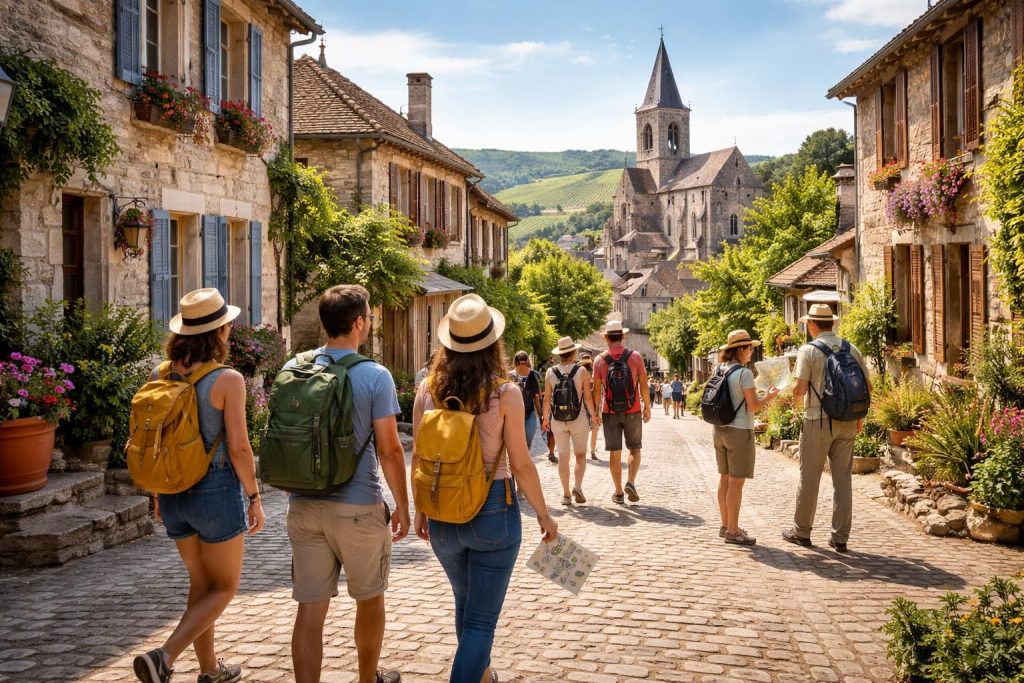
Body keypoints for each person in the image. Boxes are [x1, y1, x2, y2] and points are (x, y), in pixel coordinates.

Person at [412, 293, 558, 683]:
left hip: (442, 509)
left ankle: (482, 674)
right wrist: (544, 514)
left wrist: (419, 510)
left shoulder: (427, 391)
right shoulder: (504, 392)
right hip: (493, 509)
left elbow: (421, 459)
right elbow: (522, 463)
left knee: (466, 603)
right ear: (493, 343)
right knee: (480, 621)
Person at [133, 288, 265, 683]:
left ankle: (209, 670)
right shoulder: (228, 380)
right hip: (216, 493)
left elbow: (157, 442)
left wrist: (158, 492)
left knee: (201, 586)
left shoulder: (160, 374)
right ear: (221, 331)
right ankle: (164, 656)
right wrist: (254, 497)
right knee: (224, 587)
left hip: (172, 492)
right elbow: (240, 449)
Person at [285, 285, 410, 683]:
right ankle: (366, 678)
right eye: (369, 315)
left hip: (304, 505)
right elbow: (390, 450)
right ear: (359, 323)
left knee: (309, 608)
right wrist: (404, 506)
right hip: (358, 506)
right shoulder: (374, 375)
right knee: (369, 598)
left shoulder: (295, 368)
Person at [782, 304, 871, 554]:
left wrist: (795, 408)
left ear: (812, 324)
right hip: (848, 422)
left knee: (809, 478)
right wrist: (859, 417)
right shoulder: (851, 348)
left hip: (817, 421)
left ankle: (801, 532)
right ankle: (840, 537)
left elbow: (800, 389)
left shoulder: (808, 351)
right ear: (831, 323)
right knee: (842, 480)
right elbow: (867, 386)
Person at [713, 330, 780, 546]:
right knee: (736, 482)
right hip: (739, 431)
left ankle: (726, 525)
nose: (752, 351)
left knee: (724, 478)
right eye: (750, 348)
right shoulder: (744, 373)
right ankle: (733, 531)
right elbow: (754, 406)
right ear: (741, 350)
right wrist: (768, 396)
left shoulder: (719, 368)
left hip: (719, 429)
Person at [592, 320, 650, 504]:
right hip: (632, 409)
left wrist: (595, 411)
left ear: (606, 338)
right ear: (623, 336)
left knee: (614, 452)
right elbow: (643, 385)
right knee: (634, 448)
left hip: (609, 411)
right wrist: (646, 406)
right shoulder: (636, 357)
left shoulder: (599, 360)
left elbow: (596, 390)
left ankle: (618, 493)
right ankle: (630, 481)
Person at [542, 336, 597, 506]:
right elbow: (587, 397)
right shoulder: (582, 372)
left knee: (563, 457)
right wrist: (594, 415)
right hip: (578, 417)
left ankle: (566, 495)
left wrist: (545, 418)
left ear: (559, 354)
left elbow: (547, 400)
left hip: (558, 420)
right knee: (580, 455)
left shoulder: (551, 372)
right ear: (574, 352)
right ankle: (578, 486)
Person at [509, 350, 542, 449]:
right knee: (522, 442)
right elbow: (537, 397)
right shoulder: (511, 376)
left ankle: (521, 459)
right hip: (521, 413)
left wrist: (541, 414)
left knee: (522, 441)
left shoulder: (510, 375)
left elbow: (536, 396)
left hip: (522, 412)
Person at [579, 352, 600, 461]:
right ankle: (590, 451)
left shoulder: (581, 372)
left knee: (587, 428)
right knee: (592, 427)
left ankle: (590, 450)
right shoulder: (583, 372)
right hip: (589, 401)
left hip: (585, 402)